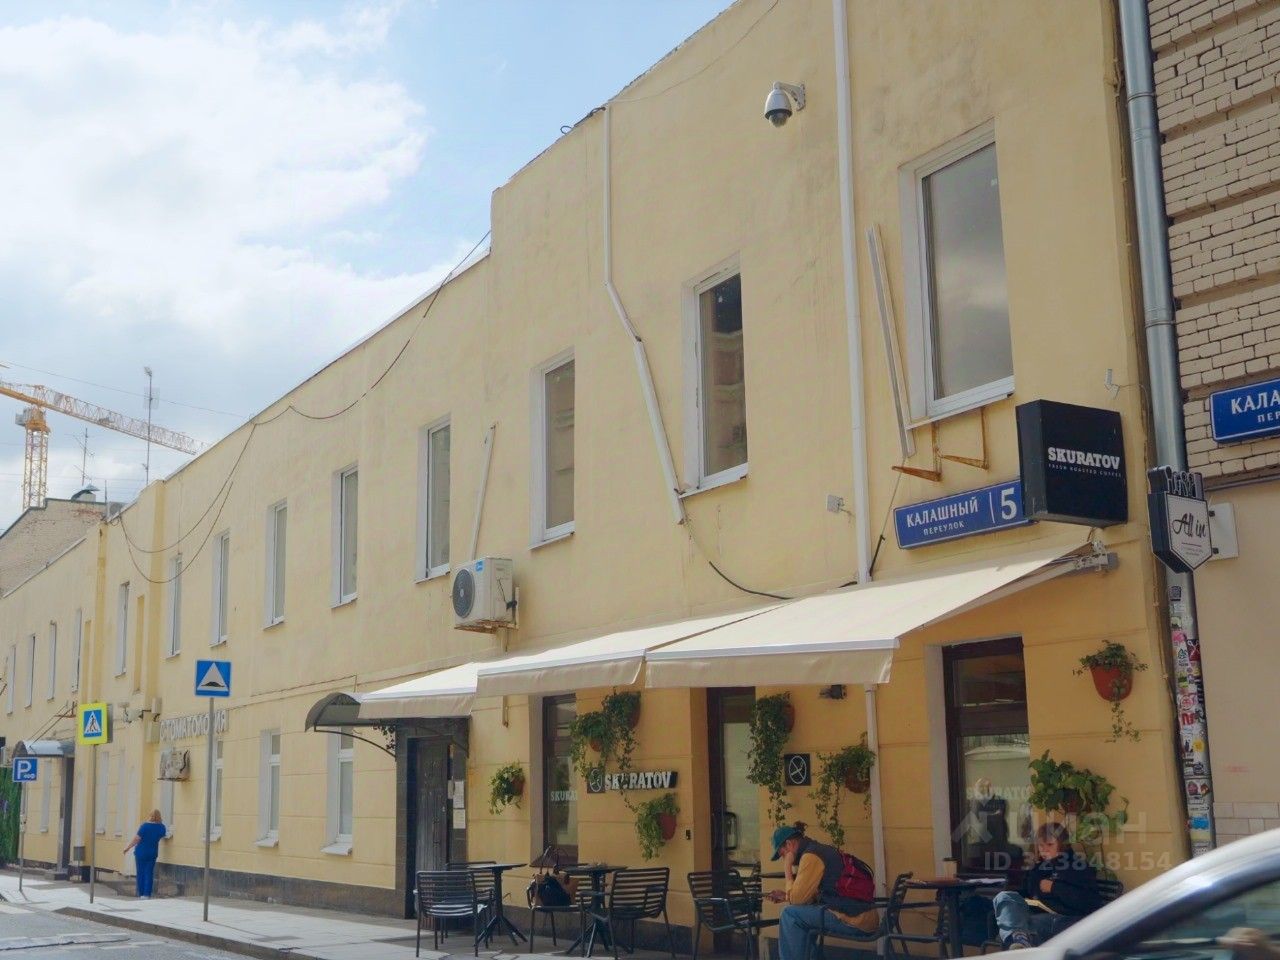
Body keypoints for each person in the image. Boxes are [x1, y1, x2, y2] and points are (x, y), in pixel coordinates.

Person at [764, 822, 879, 960]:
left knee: (789, 914)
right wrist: (785, 896)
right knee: (799, 914)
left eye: (782, 854)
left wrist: (787, 868)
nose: (783, 858)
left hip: (855, 919)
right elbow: (806, 898)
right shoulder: (817, 850)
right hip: (863, 915)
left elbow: (797, 900)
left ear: (789, 844)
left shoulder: (811, 856)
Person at [993, 822, 1102, 949]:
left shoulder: (1077, 867)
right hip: (1038, 913)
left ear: (1062, 845)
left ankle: (1017, 941)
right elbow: (1026, 892)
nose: (1044, 850)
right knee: (1004, 897)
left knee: (1025, 924)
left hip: (1066, 919)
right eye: (1041, 846)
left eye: (1050, 845)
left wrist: (1054, 887)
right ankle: (1018, 940)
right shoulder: (1040, 867)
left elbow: (1090, 902)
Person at [122, 809, 167, 899]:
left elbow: (136, 839)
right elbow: (162, 835)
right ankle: (147, 894)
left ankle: (141, 893)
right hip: (152, 853)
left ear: (150, 816)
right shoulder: (162, 827)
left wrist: (128, 848)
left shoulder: (144, 826)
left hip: (141, 852)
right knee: (149, 873)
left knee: (140, 873)